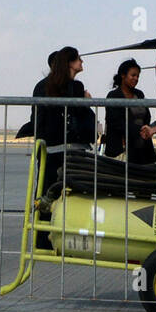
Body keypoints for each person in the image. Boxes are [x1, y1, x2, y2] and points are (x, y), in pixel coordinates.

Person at [32, 47, 96, 213]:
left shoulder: (42, 86)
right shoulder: (75, 87)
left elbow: (36, 119)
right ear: (70, 63)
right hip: (74, 153)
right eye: (79, 59)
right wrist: (86, 102)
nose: (82, 61)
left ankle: (42, 237)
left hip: (49, 151)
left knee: (46, 200)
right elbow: (80, 117)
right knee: (72, 202)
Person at [104, 59, 155, 164]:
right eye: (133, 75)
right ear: (123, 75)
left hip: (142, 148)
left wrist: (145, 131)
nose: (136, 79)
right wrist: (140, 130)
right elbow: (115, 121)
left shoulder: (139, 94)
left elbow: (147, 116)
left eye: (138, 76)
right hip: (123, 148)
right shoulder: (113, 96)